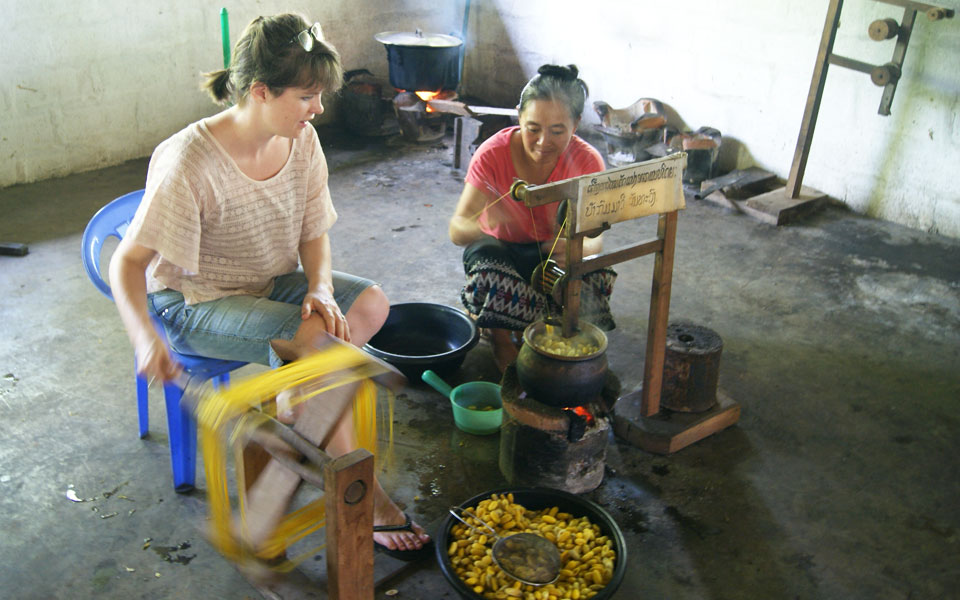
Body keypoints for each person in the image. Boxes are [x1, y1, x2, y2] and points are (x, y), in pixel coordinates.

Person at [108, 13, 430, 564]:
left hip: (271, 280)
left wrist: (322, 287)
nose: (319, 109)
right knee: (325, 352)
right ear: (261, 91)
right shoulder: (190, 160)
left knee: (368, 305)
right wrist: (144, 338)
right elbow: (127, 263)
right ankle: (364, 495)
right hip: (196, 300)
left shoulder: (299, 139)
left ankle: (298, 413)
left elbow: (314, 232)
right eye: (307, 96)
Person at [448, 64, 616, 372]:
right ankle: (501, 339)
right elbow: (457, 230)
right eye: (533, 128)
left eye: (557, 131)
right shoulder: (492, 154)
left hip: (551, 255)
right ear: (519, 116)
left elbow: (596, 239)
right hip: (503, 252)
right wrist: (489, 225)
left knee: (594, 274)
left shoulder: (587, 161)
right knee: (489, 264)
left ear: (576, 124)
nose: (542, 143)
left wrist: (578, 248)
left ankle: (559, 332)